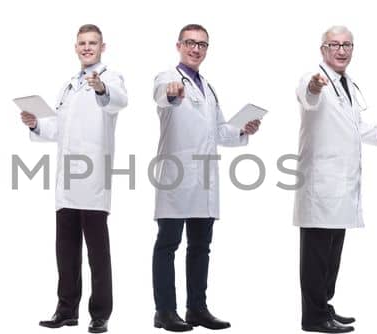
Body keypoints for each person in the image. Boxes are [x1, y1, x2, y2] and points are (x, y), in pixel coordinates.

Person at [149, 23, 260, 333]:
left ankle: (197, 308)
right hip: (176, 176)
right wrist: (171, 94)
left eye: (202, 44)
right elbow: (162, 96)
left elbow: (219, 131)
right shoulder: (168, 78)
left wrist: (242, 129)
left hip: (204, 179)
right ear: (179, 45)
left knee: (201, 246)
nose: (196, 48)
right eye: (190, 43)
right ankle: (165, 311)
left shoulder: (208, 87)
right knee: (168, 244)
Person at [20, 24, 128, 334]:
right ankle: (66, 309)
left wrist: (101, 89)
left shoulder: (110, 78)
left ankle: (100, 313)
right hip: (66, 182)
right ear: (76, 47)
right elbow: (57, 129)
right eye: (82, 43)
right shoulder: (68, 85)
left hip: (93, 177)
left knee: (97, 252)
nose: (87, 48)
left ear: (102, 47)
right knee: (65, 250)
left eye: (92, 43)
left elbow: (119, 100)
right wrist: (34, 124)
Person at [292, 25, 377, 334]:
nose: (341, 50)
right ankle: (313, 317)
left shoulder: (346, 83)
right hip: (321, 184)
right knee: (315, 254)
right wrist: (314, 85)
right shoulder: (313, 77)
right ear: (323, 49)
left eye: (347, 45)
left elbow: (355, 127)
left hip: (341, 184)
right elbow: (308, 96)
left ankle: (324, 307)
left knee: (332, 253)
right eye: (335, 45)